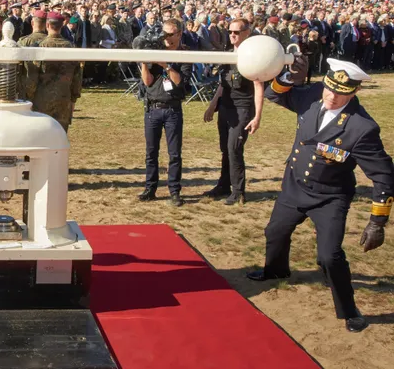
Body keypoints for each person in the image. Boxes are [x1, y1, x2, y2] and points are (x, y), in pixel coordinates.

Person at [248, 58, 394, 333]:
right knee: (275, 232)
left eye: (340, 92)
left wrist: (377, 221)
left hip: (330, 197)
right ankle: (276, 270)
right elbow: (272, 95)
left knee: (329, 256)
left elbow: (384, 175)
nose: (331, 96)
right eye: (329, 88)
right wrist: (289, 77)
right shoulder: (314, 95)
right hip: (295, 187)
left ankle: (349, 310)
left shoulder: (362, 128)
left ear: (354, 93)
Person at [203, 18, 264, 205]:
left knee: (234, 149)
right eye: (230, 32)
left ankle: (238, 191)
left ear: (247, 33)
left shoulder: (252, 57)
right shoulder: (228, 55)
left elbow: (258, 87)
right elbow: (223, 84)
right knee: (225, 149)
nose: (232, 35)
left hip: (243, 108)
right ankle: (224, 185)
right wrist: (212, 106)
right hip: (226, 107)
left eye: (236, 32)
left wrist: (257, 117)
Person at [137, 18, 192, 207]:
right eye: (164, 34)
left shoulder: (184, 55)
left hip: (172, 109)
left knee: (174, 154)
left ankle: (174, 191)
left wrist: (165, 65)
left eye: (171, 34)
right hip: (153, 108)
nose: (167, 38)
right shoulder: (155, 50)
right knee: (151, 152)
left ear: (179, 34)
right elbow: (147, 81)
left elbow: (179, 82)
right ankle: (150, 188)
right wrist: (144, 63)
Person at [25, 11, 82, 131]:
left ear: (47, 25)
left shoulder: (40, 47)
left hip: (41, 99)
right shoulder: (70, 47)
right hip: (63, 98)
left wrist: (29, 97)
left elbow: (32, 78)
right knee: (60, 136)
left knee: (41, 137)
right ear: (62, 26)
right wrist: (73, 99)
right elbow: (77, 77)